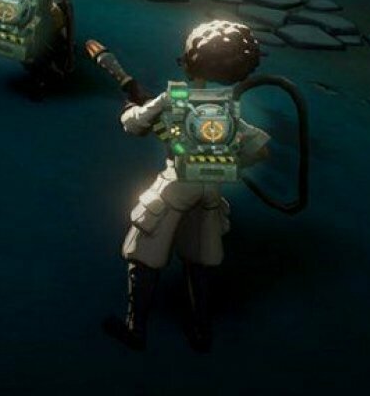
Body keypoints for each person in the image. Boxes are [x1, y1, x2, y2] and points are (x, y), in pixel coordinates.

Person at [99, 20, 272, 352]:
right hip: (210, 191)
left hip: (175, 187)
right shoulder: (226, 105)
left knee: (144, 253)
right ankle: (201, 332)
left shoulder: (174, 96)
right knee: (200, 261)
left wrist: (130, 111)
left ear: (191, 58)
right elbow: (260, 150)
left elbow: (134, 126)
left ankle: (136, 329)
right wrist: (228, 166)